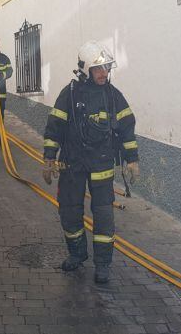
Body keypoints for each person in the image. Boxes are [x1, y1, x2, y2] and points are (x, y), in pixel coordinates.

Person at [41, 41, 140, 283]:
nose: (103, 73)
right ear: (85, 70)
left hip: (102, 165)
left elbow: (127, 127)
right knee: (69, 210)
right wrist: (48, 158)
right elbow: (54, 127)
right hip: (72, 165)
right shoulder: (70, 94)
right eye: (98, 69)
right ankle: (77, 254)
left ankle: (103, 265)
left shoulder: (113, 97)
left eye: (106, 68)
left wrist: (132, 159)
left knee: (104, 215)